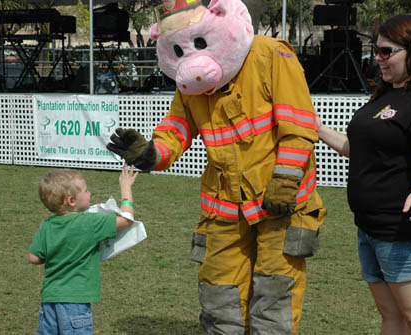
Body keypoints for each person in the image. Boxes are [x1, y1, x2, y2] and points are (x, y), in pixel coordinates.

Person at [106, 0, 326, 333]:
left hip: (280, 201)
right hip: (224, 207)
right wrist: (151, 154)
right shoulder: (191, 81)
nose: (190, 57)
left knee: (275, 294)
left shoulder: (270, 55)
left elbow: (298, 126)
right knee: (219, 293)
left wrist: (285, 178)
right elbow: (176, 130)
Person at [317, 14, 411, 335]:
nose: (378, 58)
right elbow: (357, 147)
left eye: (386, 52)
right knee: (392, 318)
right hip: (370, 227)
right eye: (376, 51)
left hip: (405, 231)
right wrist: (317, 129)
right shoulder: (386, 95)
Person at [29, 164, 138, 335]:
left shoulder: (46, 225)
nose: (90, 193)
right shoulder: (89, 223)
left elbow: (34, 258)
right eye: (86, 191)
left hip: (49, 300)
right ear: (71, 201)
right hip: (76, 302)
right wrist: (126, 188)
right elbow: (127, 219)